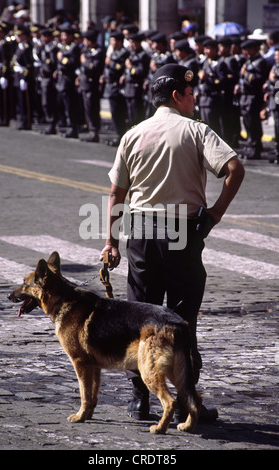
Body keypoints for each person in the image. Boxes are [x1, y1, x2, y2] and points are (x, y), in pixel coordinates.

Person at [100, 63, 245, 422]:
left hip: (143, 235)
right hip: (183, 234)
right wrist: (215, 214)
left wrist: (110, 242)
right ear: (178, 95)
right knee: (181, 321)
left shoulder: (133, 134)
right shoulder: (196, 131)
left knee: (140, 318)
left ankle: (140, 400)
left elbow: (117, 192)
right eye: (191, 93)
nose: (194, 99)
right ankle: (185, 401)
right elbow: (235, 169)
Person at [239, 39, 270, 159]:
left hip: (253, 96)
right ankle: (251, 145)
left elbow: (260, 79)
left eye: (248, 49)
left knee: (253, 123)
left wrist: (246, 74)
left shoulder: (260, 62)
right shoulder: (248, 61)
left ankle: (255, 148)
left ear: (255, 49)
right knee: (247, 122)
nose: (246, 52)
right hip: (245, 96)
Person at [78, 29, 104, 143]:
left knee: (92, 108)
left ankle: (94, 131)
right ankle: (90, 129)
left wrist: (84, 61)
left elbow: (94, 67)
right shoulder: (86, 50)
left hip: (92, 84)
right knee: (87, 108)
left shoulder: (98, 51)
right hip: (84, 83)